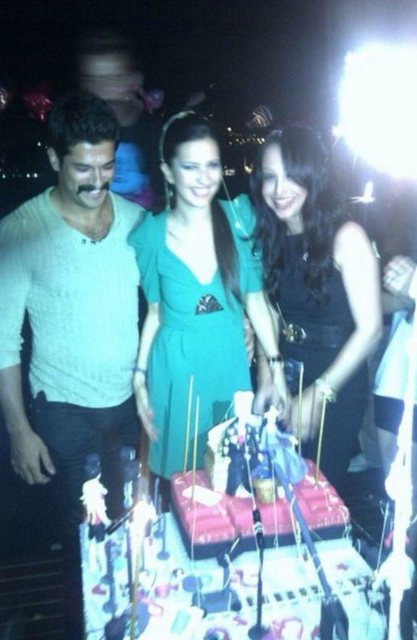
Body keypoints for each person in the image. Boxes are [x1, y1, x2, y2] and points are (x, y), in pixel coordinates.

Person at [0, 90, 144, 539]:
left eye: (107, 166)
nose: (97, 181)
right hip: (63, 414)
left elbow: (172, 297)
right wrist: (19, 431)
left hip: (131, 405)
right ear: (55, 159)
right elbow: (0, 341)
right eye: (83, 168)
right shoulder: (19, 232)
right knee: (85, 534)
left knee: (135, 523)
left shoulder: (137, 221)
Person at [128, 112, 287, 500]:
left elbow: (256, 302)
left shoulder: (239, 220)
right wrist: (139, 376)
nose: (204, 178)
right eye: (190, 167)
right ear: (168, 172)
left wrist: (277, 369)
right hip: (175, 374)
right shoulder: (150, 236)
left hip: (227, 369)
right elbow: (155, 313)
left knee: (229, 478)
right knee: (182, 488)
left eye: (212, 165)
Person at [250, 125, 382, 488]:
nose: (279, 190)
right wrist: (266, 375)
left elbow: (371, 329)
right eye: (269, 177)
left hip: (336, 378)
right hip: (285, 371)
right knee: (274, 487)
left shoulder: (347, 236)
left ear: (313, 175)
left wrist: (318, 396)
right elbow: (270, 314)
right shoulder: (271, 235)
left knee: (317, 493)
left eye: (291, 176)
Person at [76, 29, 163, 210]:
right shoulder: (75, 133)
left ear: (134, 80)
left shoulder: (155, 134)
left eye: (114, 79)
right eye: (95, 81)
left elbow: (165, 197)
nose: (104, 90)